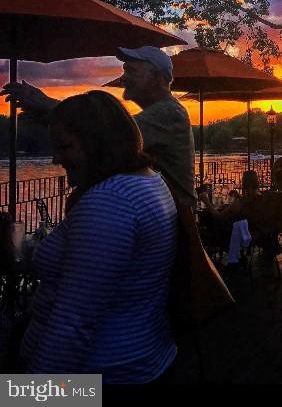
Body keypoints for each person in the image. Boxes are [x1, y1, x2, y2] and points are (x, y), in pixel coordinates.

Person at [19, 91, 177, 382]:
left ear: (98, 143)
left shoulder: (110, 201)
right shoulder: (149, 180)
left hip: (100, 377)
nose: (56, 159)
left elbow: (73, 323)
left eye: (65, 146)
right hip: (142, 357)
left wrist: (31, 394)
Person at [1, 47, 196, 208]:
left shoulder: (169, 113)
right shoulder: (164, 112)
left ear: (158, 78)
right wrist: (49, 116)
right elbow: (101, 133)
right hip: (164, 213)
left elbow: (109, 129)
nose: (123, 78)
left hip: (174, 223)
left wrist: (45, 103)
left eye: (131, 71)